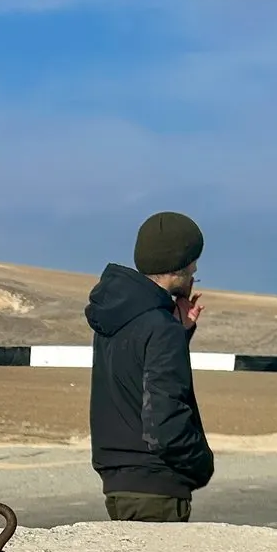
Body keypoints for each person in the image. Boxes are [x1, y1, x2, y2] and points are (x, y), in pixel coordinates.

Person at [87, 211, 213, 521]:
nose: (196, 271)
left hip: (118, 482)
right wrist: (202, 466)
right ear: (180, 265)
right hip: (156, 489)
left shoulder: (117, 317)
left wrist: (179, 332)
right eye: (193, 263)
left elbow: (135, 379)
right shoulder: (160, 327)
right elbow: (165, 424)